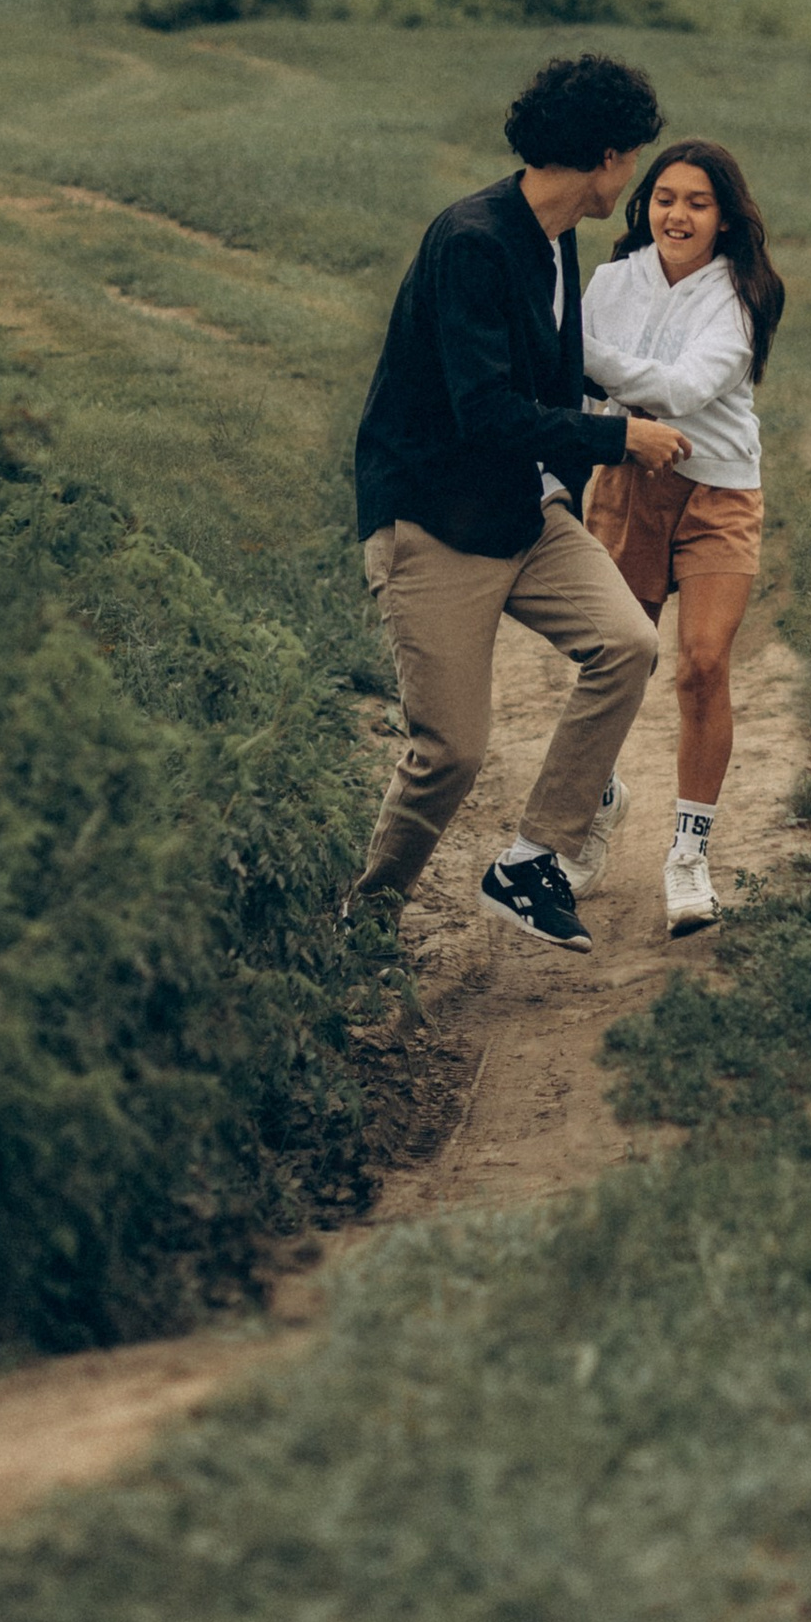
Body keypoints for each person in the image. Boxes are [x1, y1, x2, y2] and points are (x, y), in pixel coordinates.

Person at [348, 50, 688, 954]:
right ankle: (365, 921)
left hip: (522, 512)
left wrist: (615, 410)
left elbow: (537, 377)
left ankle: (531, 859)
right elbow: (487, 412)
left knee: (627, 644)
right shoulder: (473, 242)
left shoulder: (550, 235)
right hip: (435, 518)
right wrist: (618, 440)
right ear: (608, 158)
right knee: (450, 751)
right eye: (635, 159)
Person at [576, 139, 786, 935]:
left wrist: (582, 360)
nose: (678, 214)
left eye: (698, 202)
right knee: (608, 663)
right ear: (645, 206)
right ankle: (598, 803)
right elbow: (579, 391)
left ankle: (688, 853)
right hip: (627, 484)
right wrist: (590, 376)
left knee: (702, 665)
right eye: (666, 197)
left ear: (725, 220)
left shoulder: (738, 296)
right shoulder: (609, 283)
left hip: (719, 489)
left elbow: (688, 389)